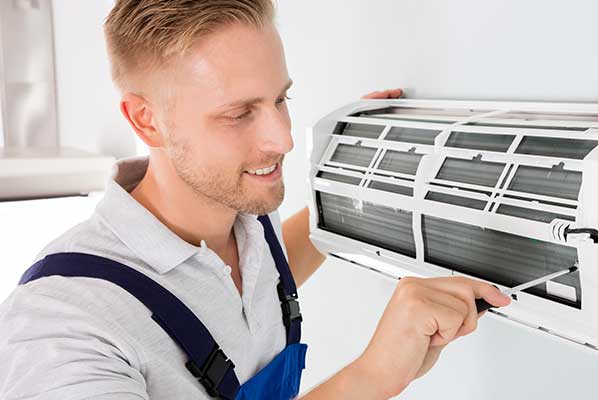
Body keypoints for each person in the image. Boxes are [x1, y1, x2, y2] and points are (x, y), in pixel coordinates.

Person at [0, 1, 511, 399]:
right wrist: (372, 377)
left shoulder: (240, 219)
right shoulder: (61, 325)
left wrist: (351, 182)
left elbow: (266, 270)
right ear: (145, 121)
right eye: (239, 113)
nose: (283, 139)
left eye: (280, 99)